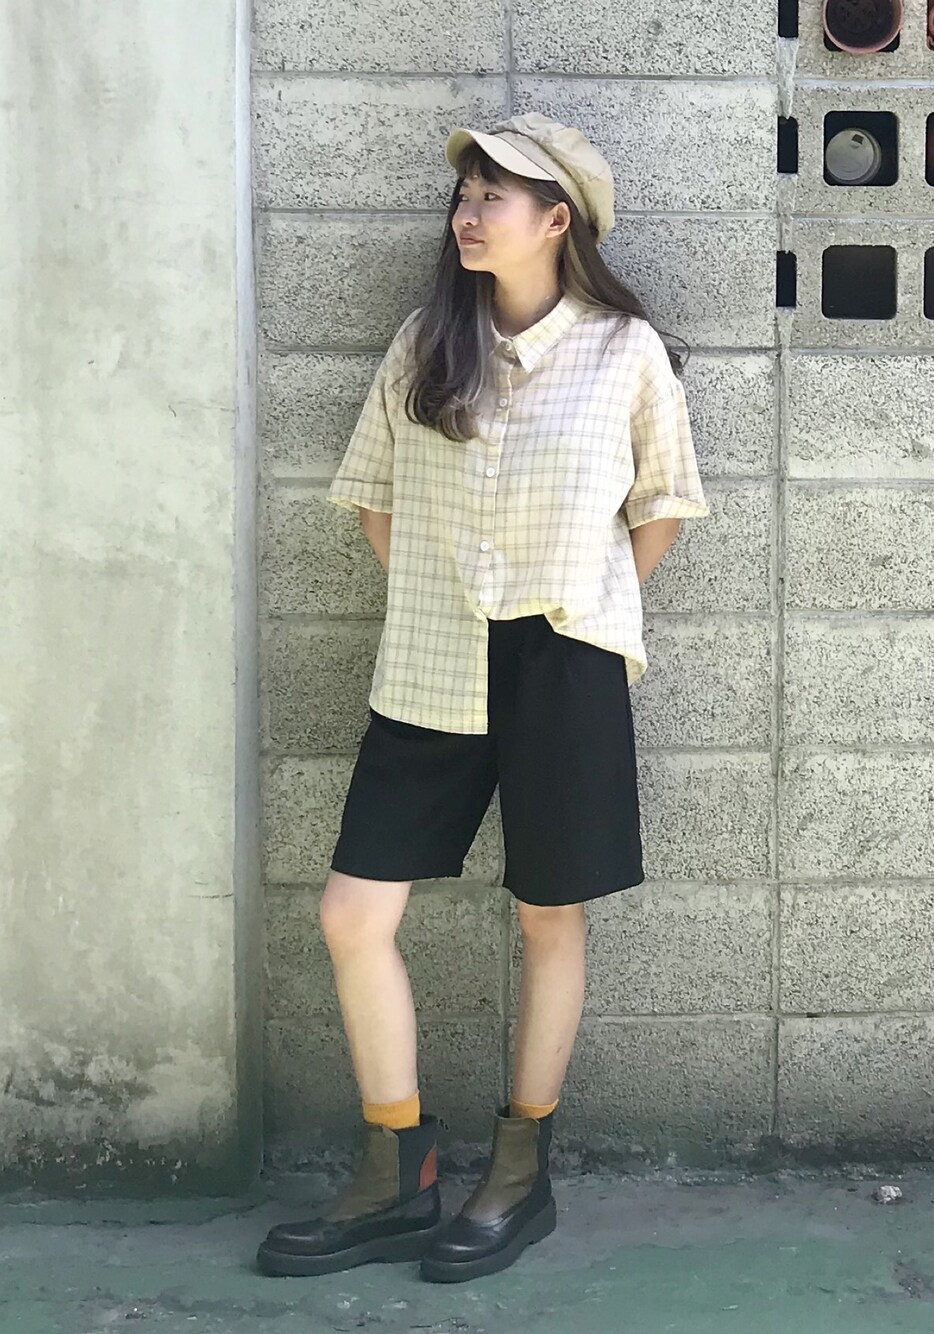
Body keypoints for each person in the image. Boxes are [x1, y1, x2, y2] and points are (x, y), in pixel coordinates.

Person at [256, 112, 709, 1284]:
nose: (467, 211)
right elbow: (373, 494)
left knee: (549, 915)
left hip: (564, 657)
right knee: (353, 913)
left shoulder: (623, 350)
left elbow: (662, 505)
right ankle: (396, 1168)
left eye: (493, 194)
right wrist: (438, 591)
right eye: (463, 192)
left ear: (556, 220)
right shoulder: (425, 342)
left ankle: (518, 1169)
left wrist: (575, 604)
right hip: (430, 656)